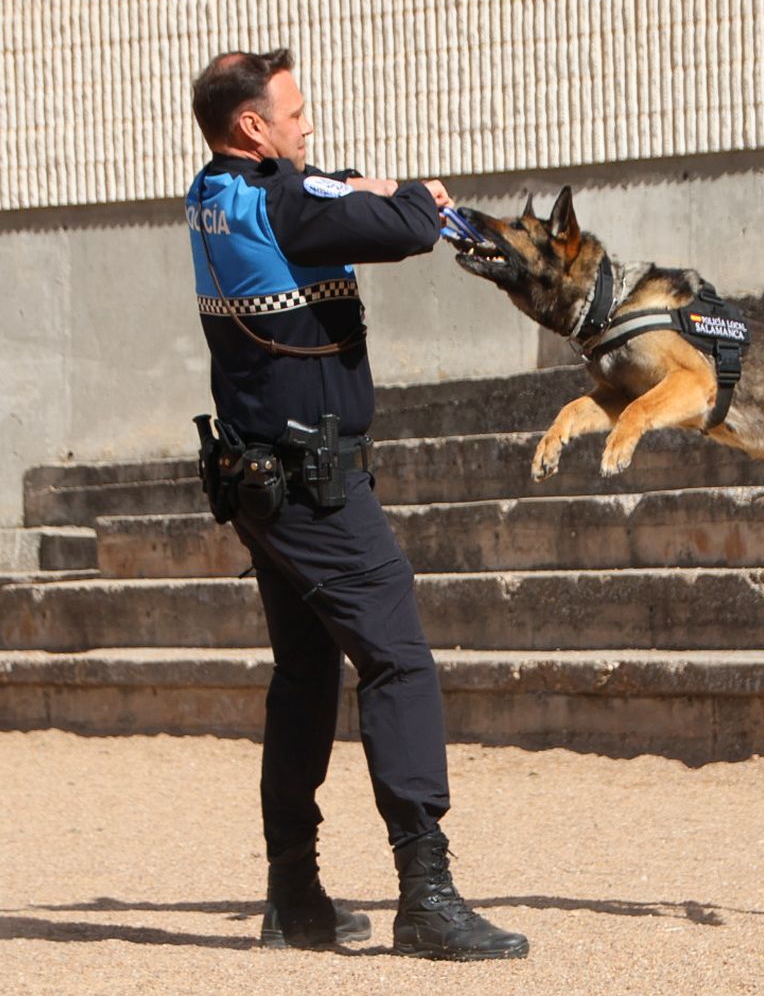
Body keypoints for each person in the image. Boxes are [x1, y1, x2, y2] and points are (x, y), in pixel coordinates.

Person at [185, 49, 529, 960]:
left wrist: (347, 183)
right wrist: (418, 193)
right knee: (400, 664)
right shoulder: (283, 200)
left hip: (264, 479)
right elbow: (404, 229)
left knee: (305, 677)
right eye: (292, 113)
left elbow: (315, 195)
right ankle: (427, 894)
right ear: (252, 127)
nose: (306, 125)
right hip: (314, 484)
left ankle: (292, 896)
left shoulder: (214, 193)